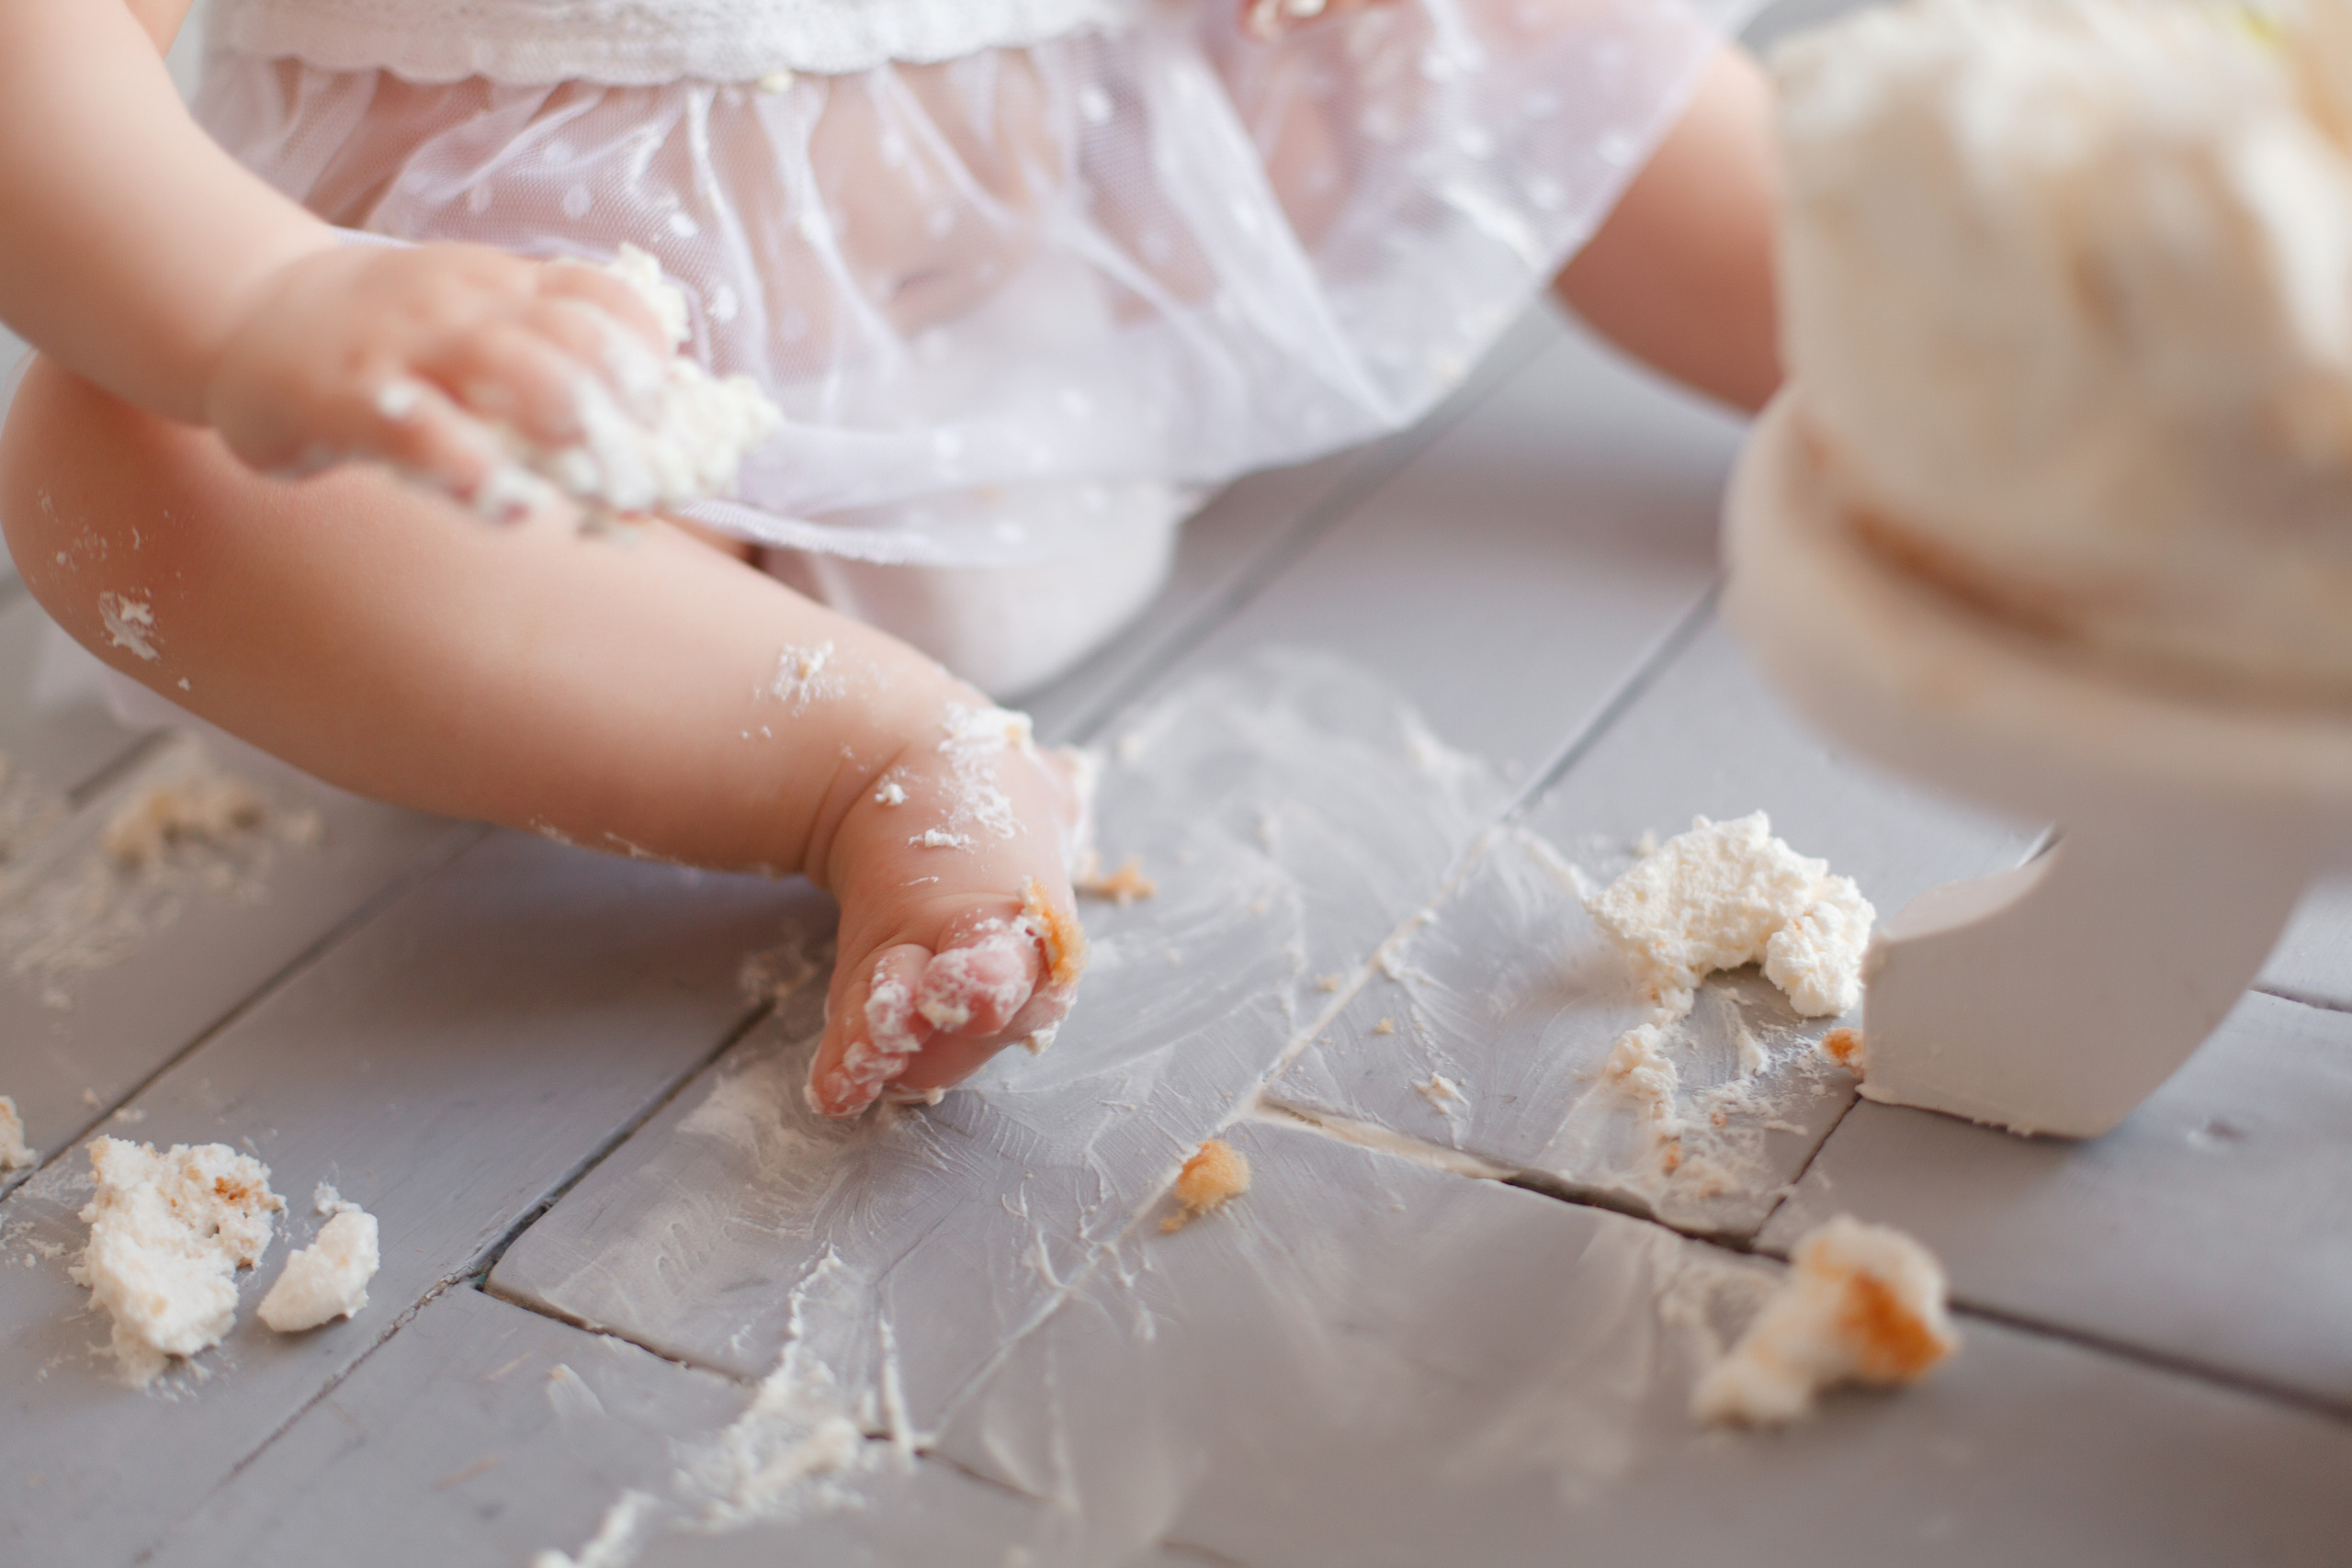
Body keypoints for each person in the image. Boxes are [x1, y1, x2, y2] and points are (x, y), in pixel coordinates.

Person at [0, 0, 1778, 1117]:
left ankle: (1950, 358)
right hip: (602, 450)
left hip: (1122, 231)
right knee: (119, 464)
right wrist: (261, 300)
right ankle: (868, 762)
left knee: (1548, 45)